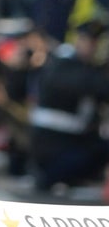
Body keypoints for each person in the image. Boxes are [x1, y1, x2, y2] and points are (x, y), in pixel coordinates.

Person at [29, 15, 109, 193]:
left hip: (69, 144)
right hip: (54, 151)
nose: (93, 47)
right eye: (89, 41)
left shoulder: (82, 66)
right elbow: (95, 86)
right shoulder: (64, 63)